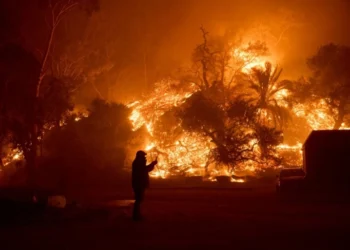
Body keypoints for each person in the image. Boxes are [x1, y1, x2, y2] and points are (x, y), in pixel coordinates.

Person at [131, 150, 157, 221]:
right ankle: (136, 216)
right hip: (138, 184)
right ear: (140, 156)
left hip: (139, 183)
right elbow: (144, 170)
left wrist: (152, 164)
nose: (145, 158)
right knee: (138, 200)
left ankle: (137, 215)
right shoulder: (138, 163)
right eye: (143, 156)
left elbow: (146, 169)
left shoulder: (138, 163)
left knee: (139, 200)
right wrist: (152, 164)